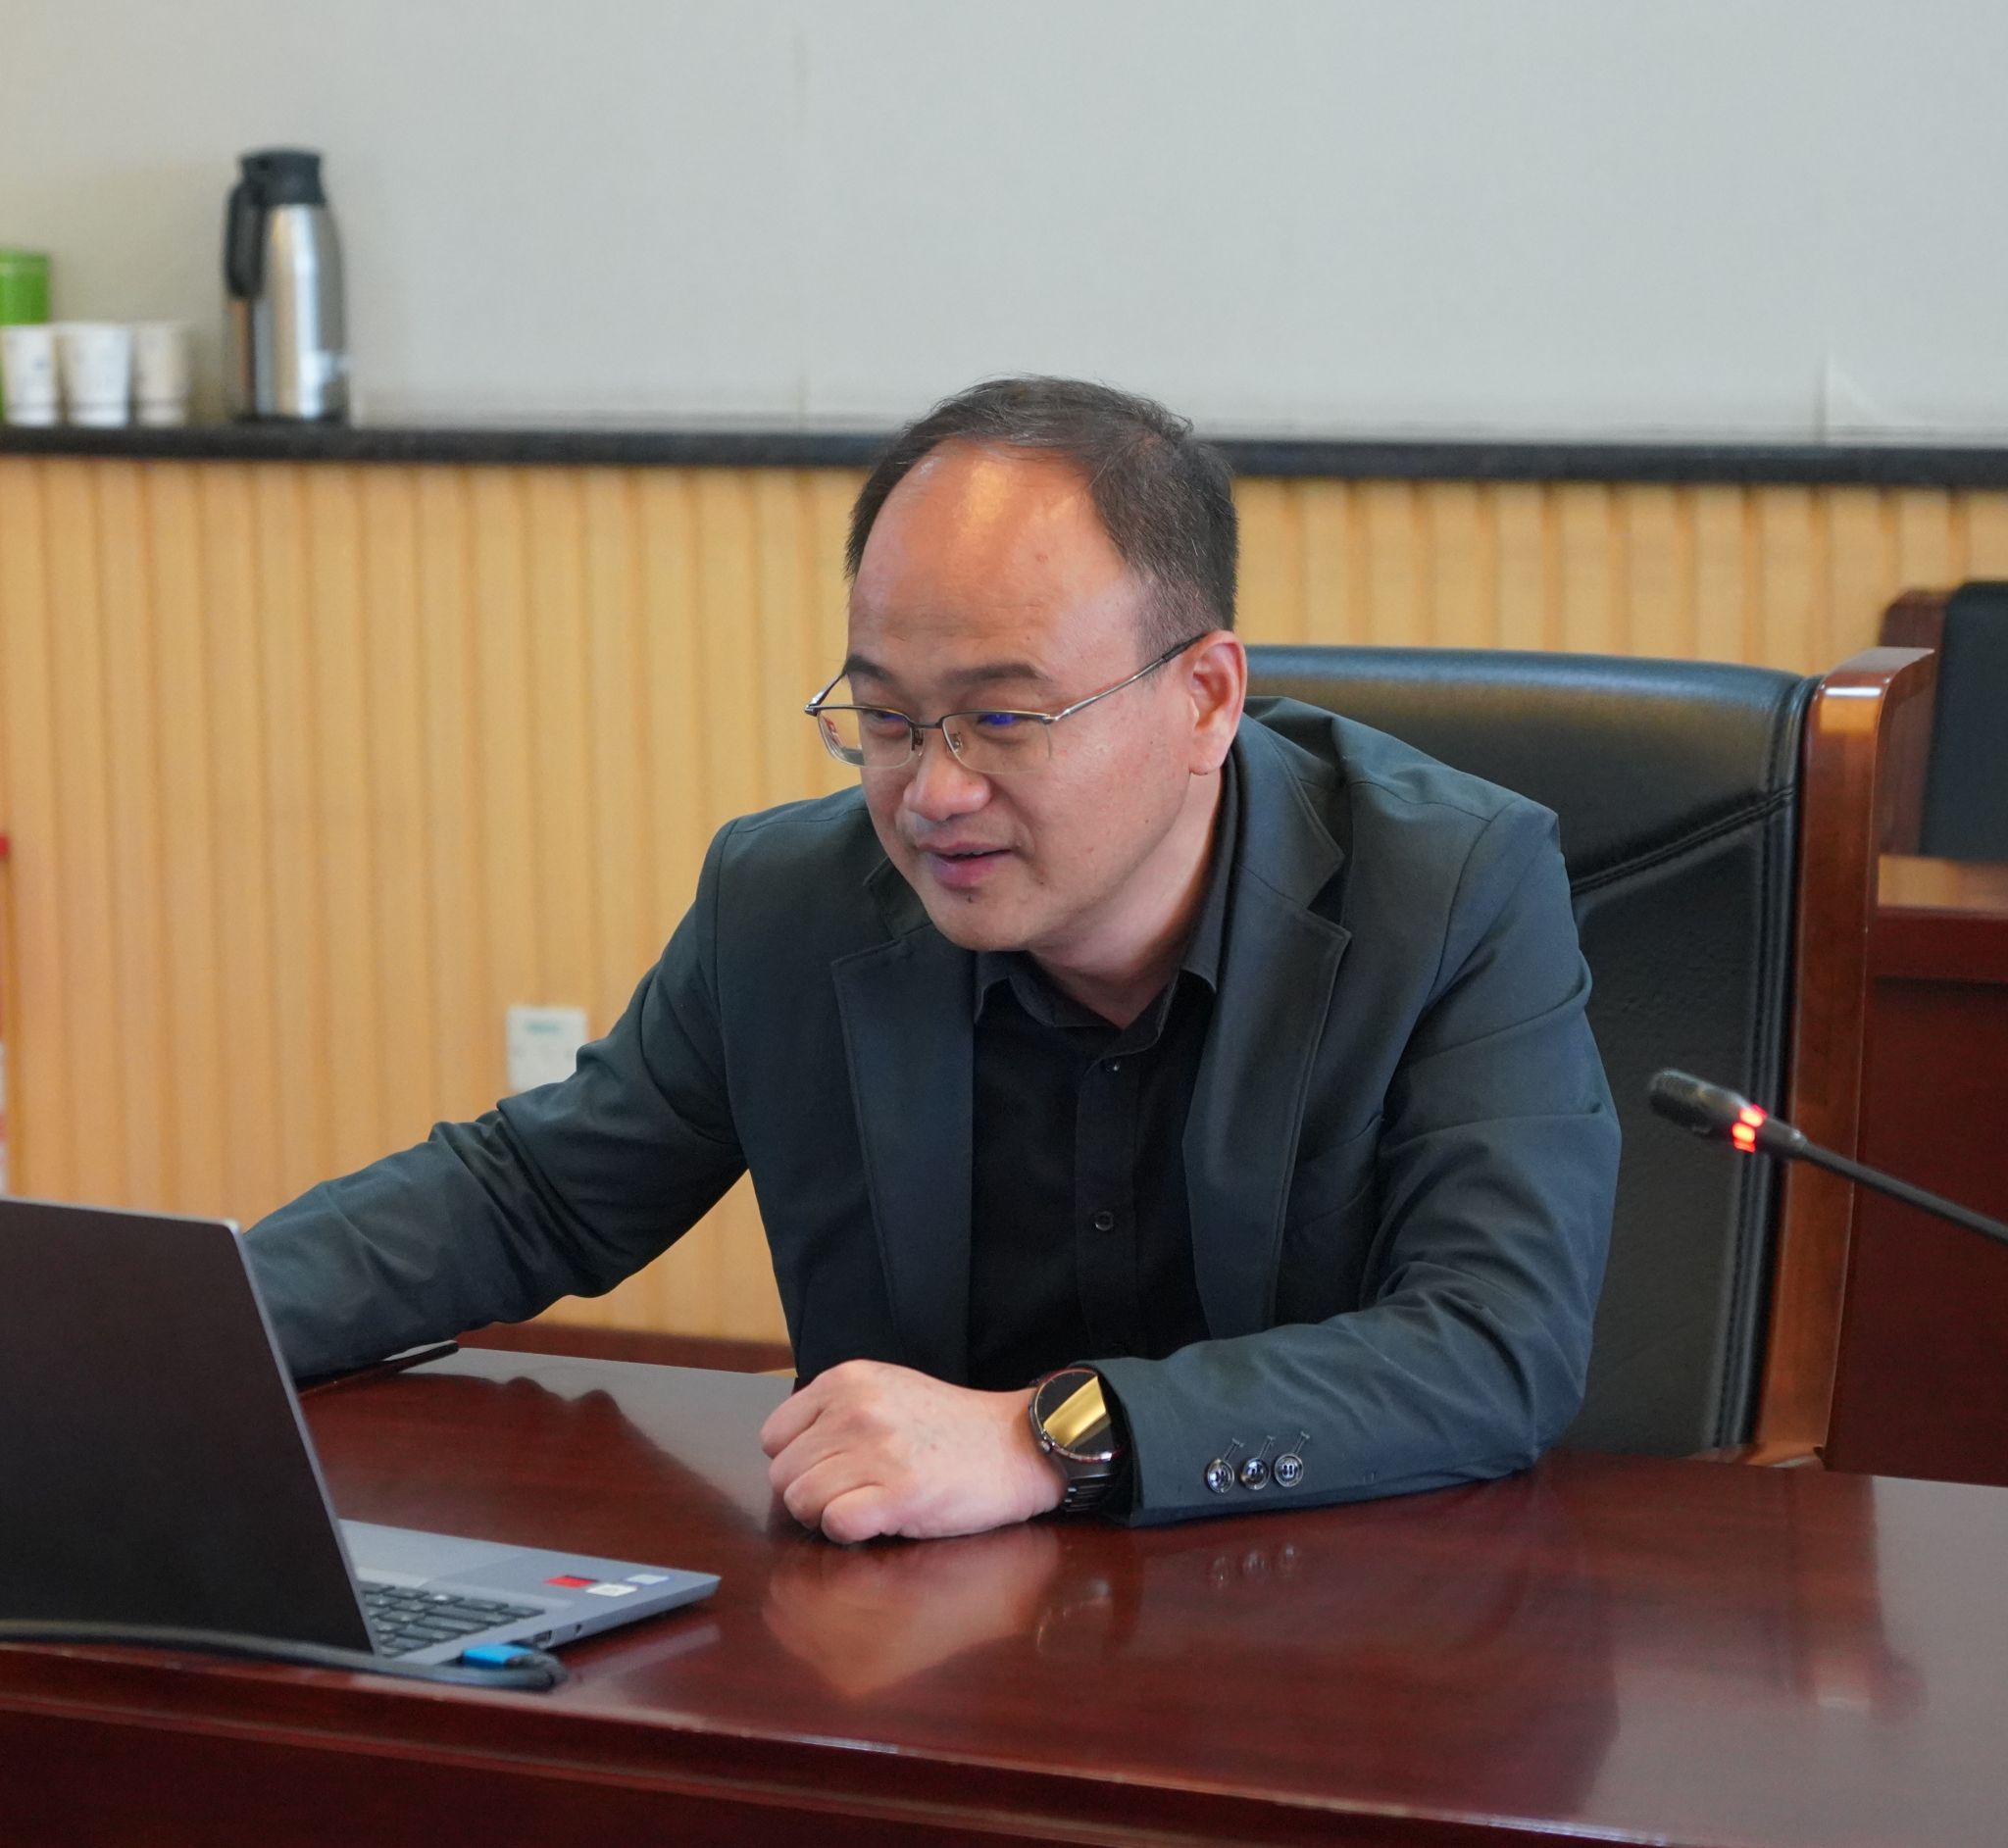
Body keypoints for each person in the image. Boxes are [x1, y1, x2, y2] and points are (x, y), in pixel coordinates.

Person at [245, 375, 1619, 1541]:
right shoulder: (786, 902)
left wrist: (1046, 1438)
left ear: (1205, 697)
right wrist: (184, 1325)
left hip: (1335, 1636)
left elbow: (1492, 1346)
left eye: (1002, 720)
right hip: (921, 1646)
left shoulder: (1453, 888)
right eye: (888, 720)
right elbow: (530, 1196)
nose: (933, 794)